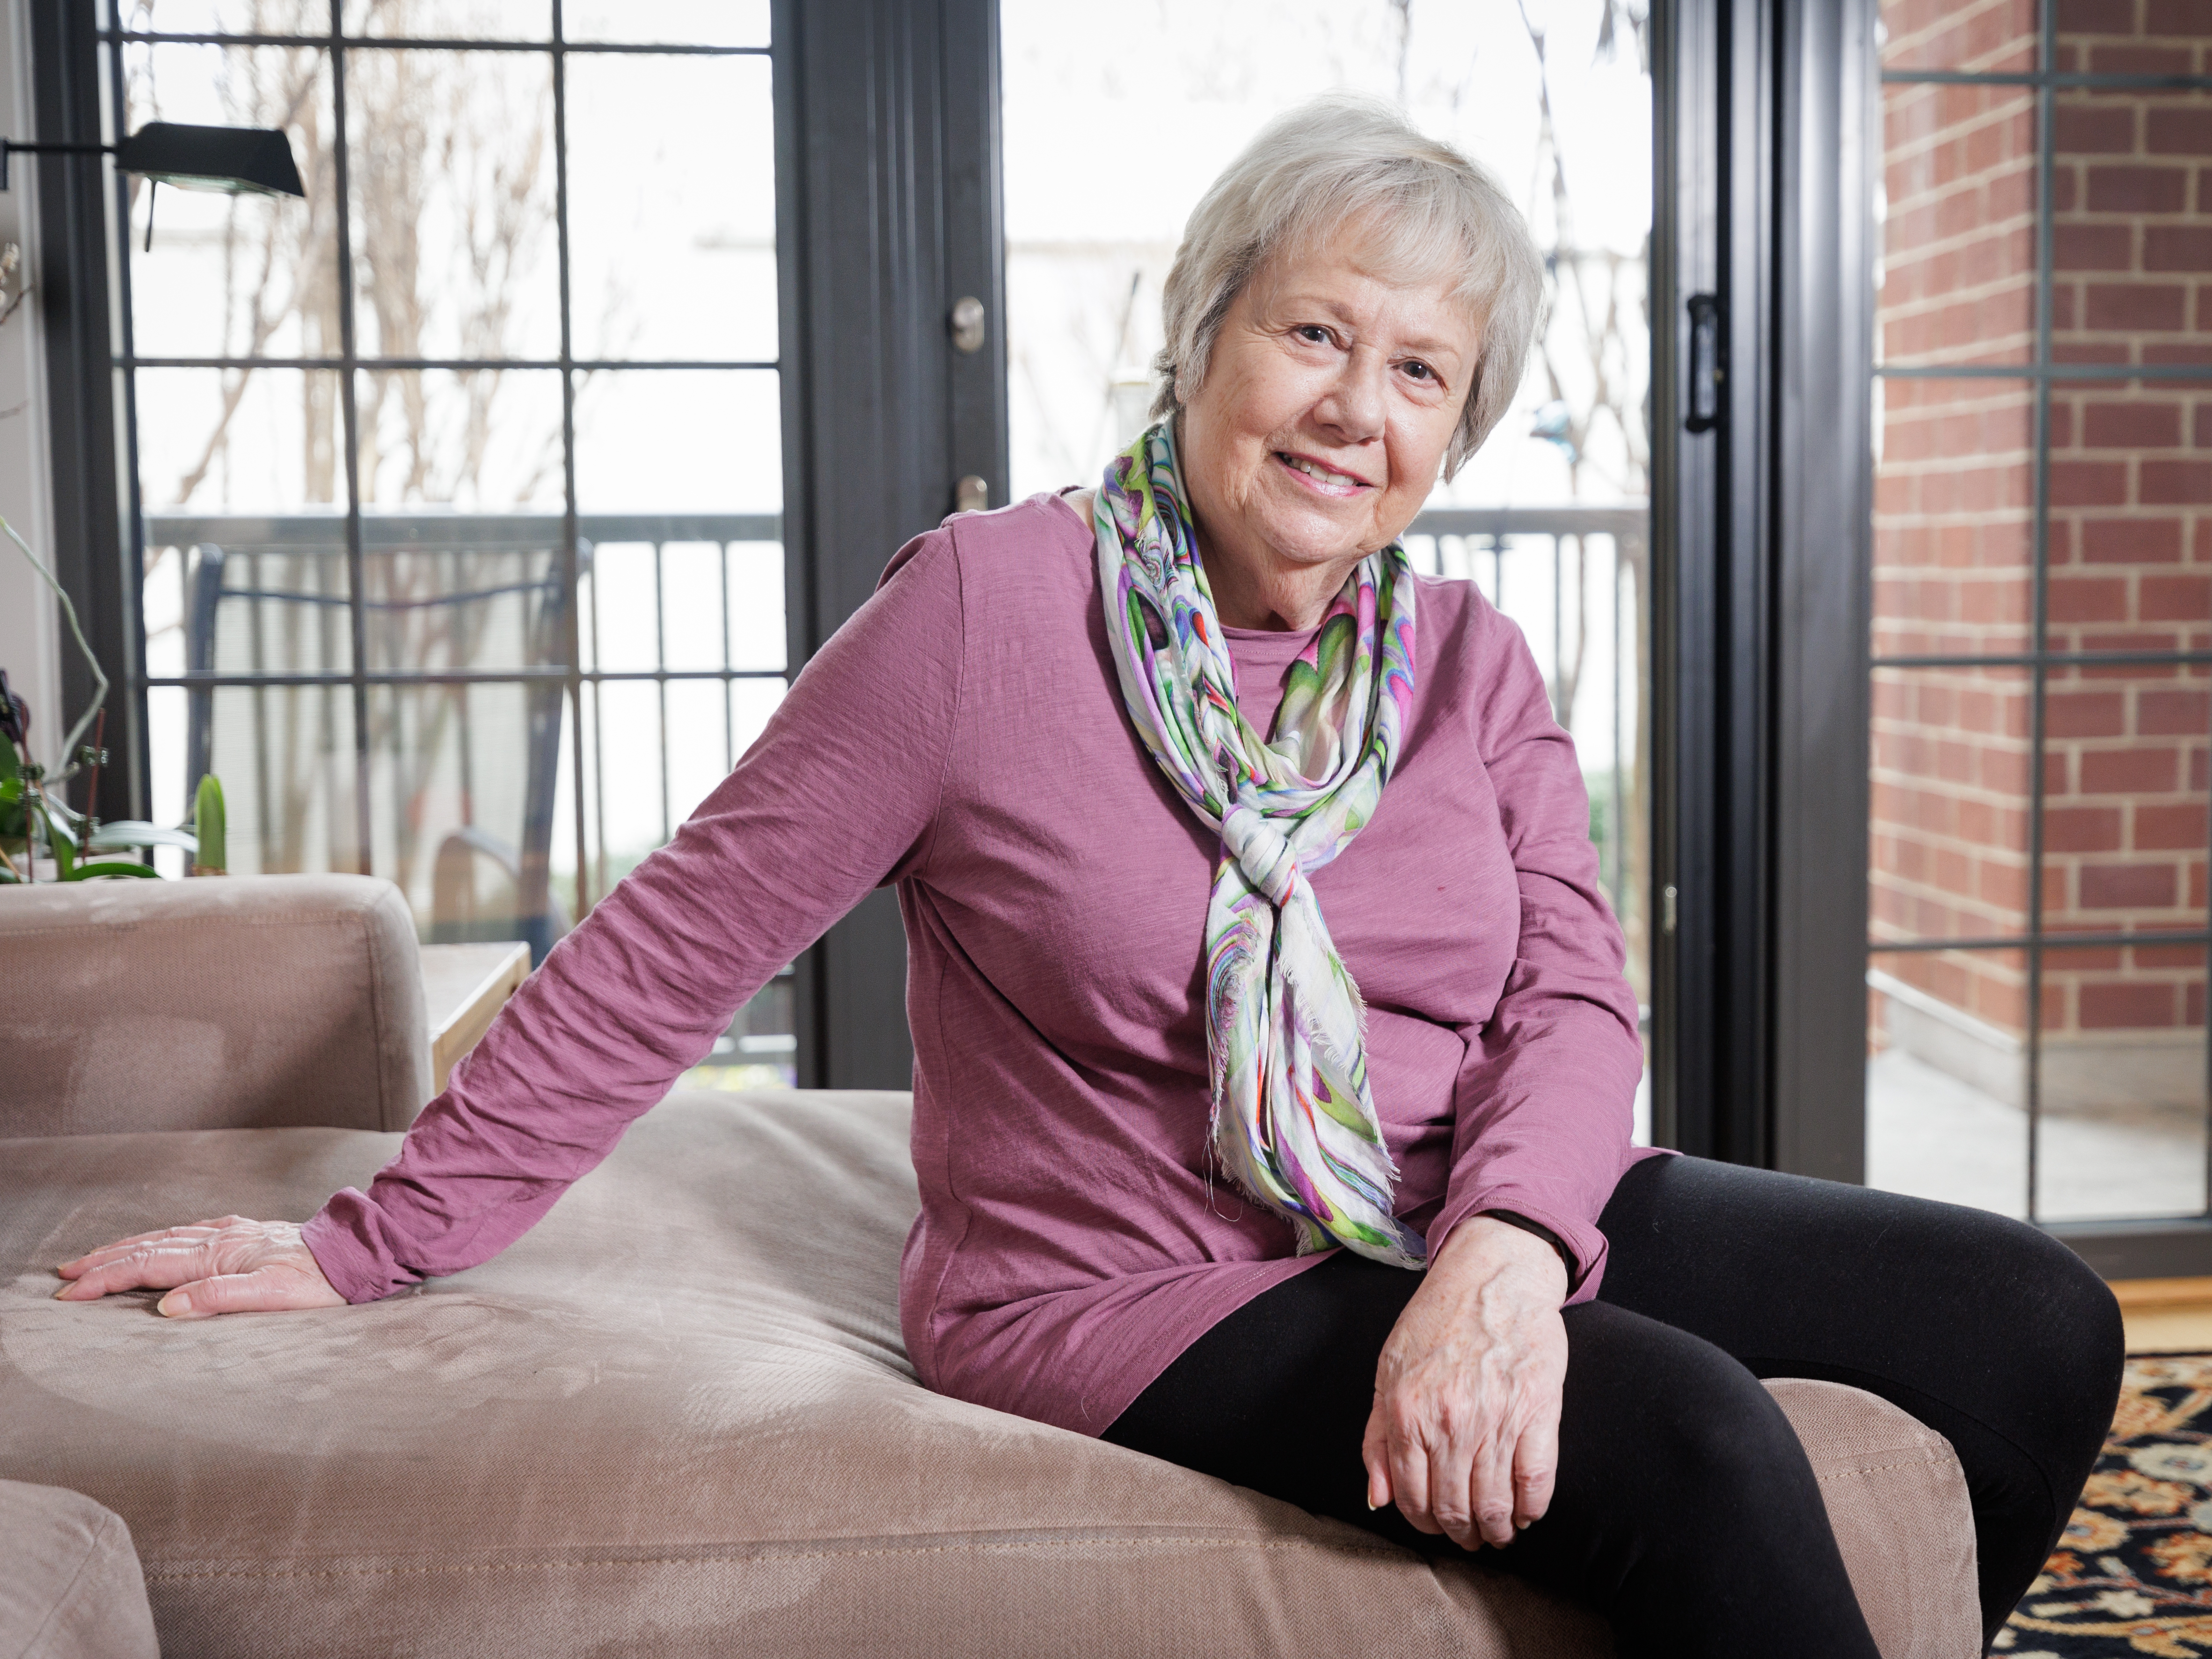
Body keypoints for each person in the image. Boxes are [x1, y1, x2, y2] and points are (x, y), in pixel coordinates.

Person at [55, 95, 2119, 1655]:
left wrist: (1504, 1250)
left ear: (1460, 425)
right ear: (1204, 331)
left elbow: (1572, 1002)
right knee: (1685, 1434)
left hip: (1436, 1196)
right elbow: (680, 941)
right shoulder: (986, 610)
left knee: (2034, 1320)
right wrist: (369, 1239)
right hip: (1135, 1277)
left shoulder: (1471, 659)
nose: (1353, 410)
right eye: (1316, 329)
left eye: (1421, 371)